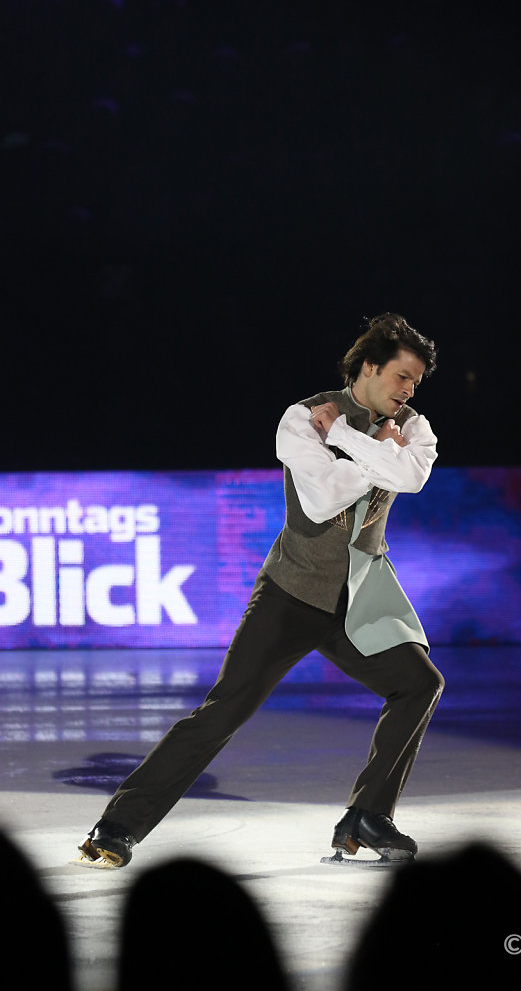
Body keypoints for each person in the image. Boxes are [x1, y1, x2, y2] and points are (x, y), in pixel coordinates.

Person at [77, 313, 444, 868]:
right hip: (291, 591)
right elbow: (322, 502)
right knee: (224, 711)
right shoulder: (300, 418)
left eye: (416, 382)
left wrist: (345, 438)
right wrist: (382, 456)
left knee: (419, 683)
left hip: (360, 596)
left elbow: (412, 477)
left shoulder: (410, 426)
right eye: (402, 376)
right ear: (370, 366)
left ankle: (367, 815)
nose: (409, 391)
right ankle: (117, 827)